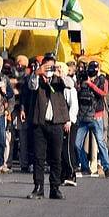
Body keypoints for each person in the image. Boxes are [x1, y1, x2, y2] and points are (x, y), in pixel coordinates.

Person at [26, 55, 71, 199]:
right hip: (40, 123)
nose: (49, 70)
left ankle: (55, 188)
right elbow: (31, 85)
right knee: (39, 158)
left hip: (57, 123)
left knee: (56, 158)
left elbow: (71, 85)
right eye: (47, 67)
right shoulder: (38, 79)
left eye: (51, 66)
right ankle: (38, 187)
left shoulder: (59, 80)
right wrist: (37, 73)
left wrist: (61, 74)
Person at [75, 60, 109, 177]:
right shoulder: (83, 79)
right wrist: (81, 83)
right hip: (83, 116)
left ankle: (107, 167)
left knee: (101, 142)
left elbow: (103, 93)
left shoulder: (103, 80)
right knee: (77, 144)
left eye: (94, 69)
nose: (92, 71)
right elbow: (77, 93)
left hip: (96, 116)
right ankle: (84, 166)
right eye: (91, 69)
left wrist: (91, 84)